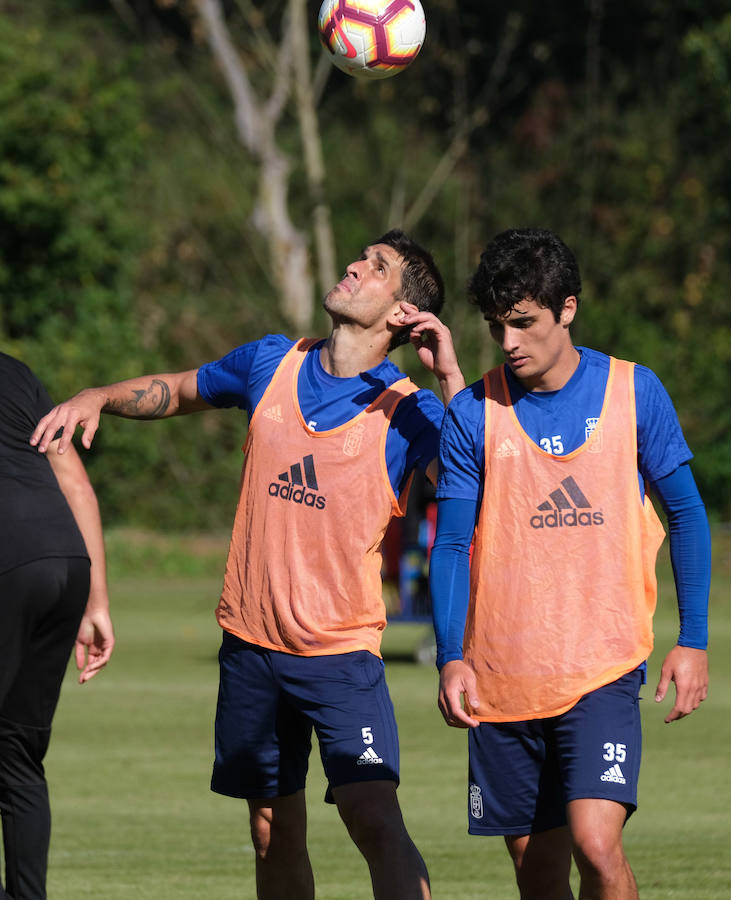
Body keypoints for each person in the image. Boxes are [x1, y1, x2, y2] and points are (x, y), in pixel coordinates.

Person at [31, 229, 465, 900]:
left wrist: (448, 375)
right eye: (359, 256)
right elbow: (176, 389)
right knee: (270, 832)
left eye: (376, 268)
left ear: (402, 314)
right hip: (250, 650)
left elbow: (474, 487)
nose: (353, 265)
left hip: (341, 657)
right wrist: (96, 396)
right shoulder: (272, 361)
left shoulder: (412, 413)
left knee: (373, 819)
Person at [428, 227, 710, 899]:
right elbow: (448, 546)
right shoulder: (471, 414)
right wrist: (449, 654)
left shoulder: (633, 393)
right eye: (497, 326)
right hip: (503, 678)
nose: (508, 342)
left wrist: (691, 639)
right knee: (538, 873)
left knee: (595, 843)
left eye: (523, 323)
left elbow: (687, 515)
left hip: (602, 668)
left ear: (567, 309)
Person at [0, 352, 114, 900]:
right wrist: (97, 604)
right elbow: (77, 487)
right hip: (64, 563)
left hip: (7, 564)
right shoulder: (16, 372)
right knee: (16, 757)